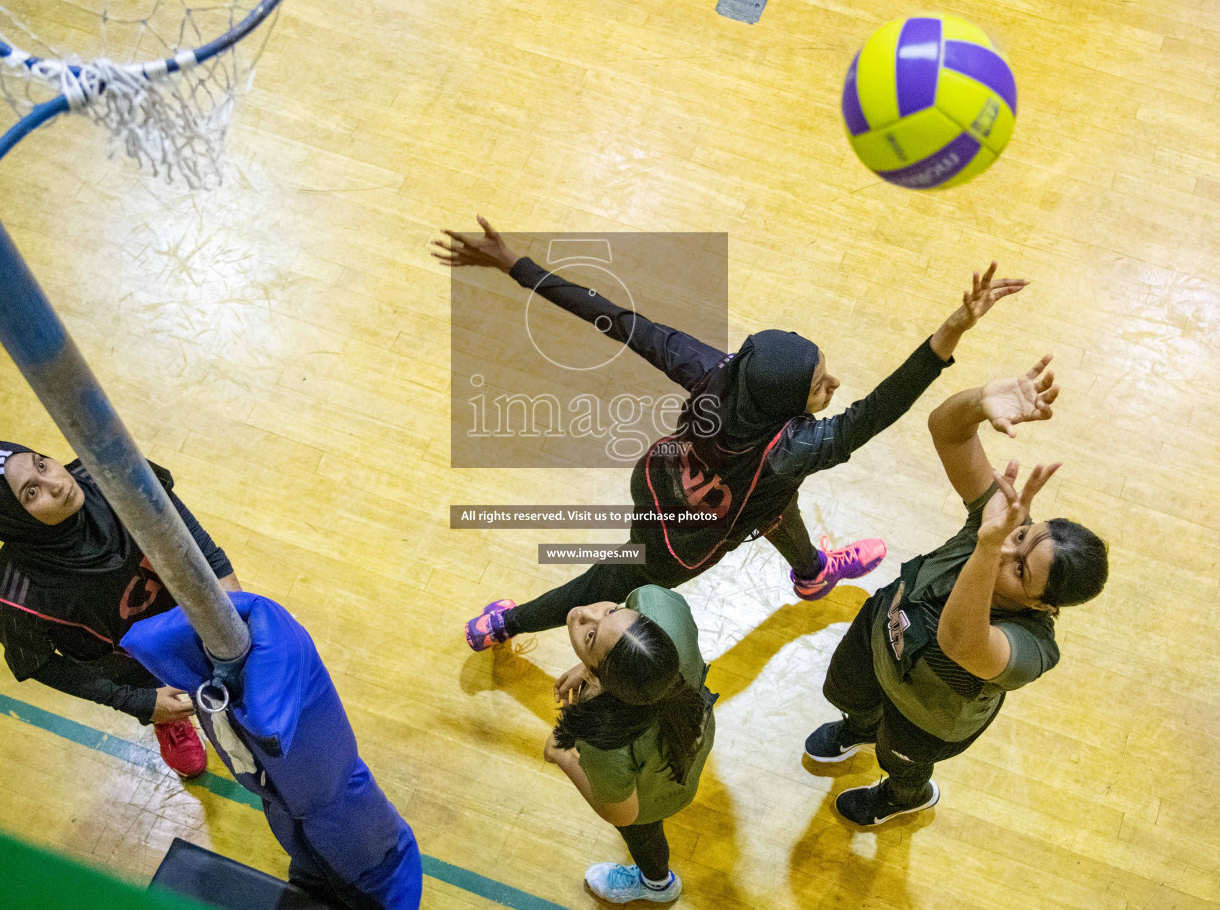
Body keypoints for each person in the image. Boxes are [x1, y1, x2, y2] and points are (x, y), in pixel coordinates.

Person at [433, 216, 1026, 650]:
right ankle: (505, 626)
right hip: (683, 544)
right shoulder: (791, 451)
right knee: (602, 580)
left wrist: (517, 265)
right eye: (820, 385)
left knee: (777, 511)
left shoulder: (715, 371)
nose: (835, 384)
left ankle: (813, 574)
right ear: (787, 405)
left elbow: (616, 319)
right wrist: (949, 333)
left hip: (668, 495)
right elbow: (876, 413)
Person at [804, 356, 1109, 826]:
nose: (1011, 547)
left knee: (901, 761)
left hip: (926, 717)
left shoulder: (1033, 648)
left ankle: (904, 797)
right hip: (878, 635)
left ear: (1043, 605)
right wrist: (980, 401)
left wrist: (987, 549)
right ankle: (859, 727)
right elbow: (947, 430)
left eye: (1022, 570)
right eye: (1024, 537)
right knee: (848, 693)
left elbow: (961, 643)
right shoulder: (1003, 521)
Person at [0, 441, 240, 779]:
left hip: (186, 611)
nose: (57, 484)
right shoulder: (16, 597)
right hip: (127, 662)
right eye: (31, 492)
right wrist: (141, 703)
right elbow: (41, 664)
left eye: (42, 464)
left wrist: (232, 609)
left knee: (232, 682)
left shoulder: (113, 472)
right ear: (10, 520)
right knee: (164, 694)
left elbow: (189, 537)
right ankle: (170, 722)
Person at [125, 593, 424, 910]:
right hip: (326, 818)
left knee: (327, 822)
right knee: (303, 817)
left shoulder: (270, 700)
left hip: (354, 840)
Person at [542, 586, 714, 904]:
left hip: (659, 795)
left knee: (643, 835)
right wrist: (593, 665)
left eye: (591, 635)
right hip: (694, 731)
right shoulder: (658, 606)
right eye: (610, 611)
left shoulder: (606, 742)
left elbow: (623, 814)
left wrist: (560, 754)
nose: (583, 613)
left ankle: (657, 884)